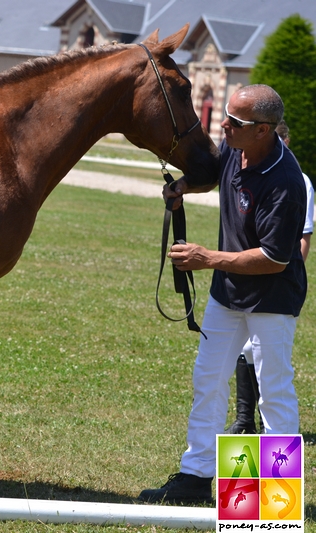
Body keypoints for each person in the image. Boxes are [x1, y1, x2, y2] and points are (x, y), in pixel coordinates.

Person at [138, 85, 307, 504]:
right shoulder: (235, 146)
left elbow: (274, 259)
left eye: (235, 121)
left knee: (274, 389)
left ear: (264, 130)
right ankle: (196, 476)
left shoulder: (287, 182)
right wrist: (184, 188)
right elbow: (215, 174)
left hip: (272, 299)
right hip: (226, 294)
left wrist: (207, 257)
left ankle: (275, 495)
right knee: (208, 379)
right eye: (225, 116)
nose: (223, 126)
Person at [225, 120, 314, 435]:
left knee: (274, 384)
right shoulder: (243, 168)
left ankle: (279, 484)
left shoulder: (297, 181)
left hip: (275, 286)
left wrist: (281, 273)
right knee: (237, 355)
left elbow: (302, 239)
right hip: (241, 284)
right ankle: (245, 421)